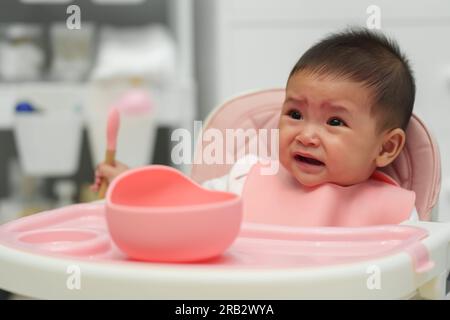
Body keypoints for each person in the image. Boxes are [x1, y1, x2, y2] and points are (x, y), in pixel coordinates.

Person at [91, 27, 419, 225]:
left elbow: (417, 283)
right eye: (294, 114)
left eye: (335, 121)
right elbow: (184, 203)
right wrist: (132, 185)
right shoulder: (247, 180)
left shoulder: (397, 214)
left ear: (386, 147)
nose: (306, 135)